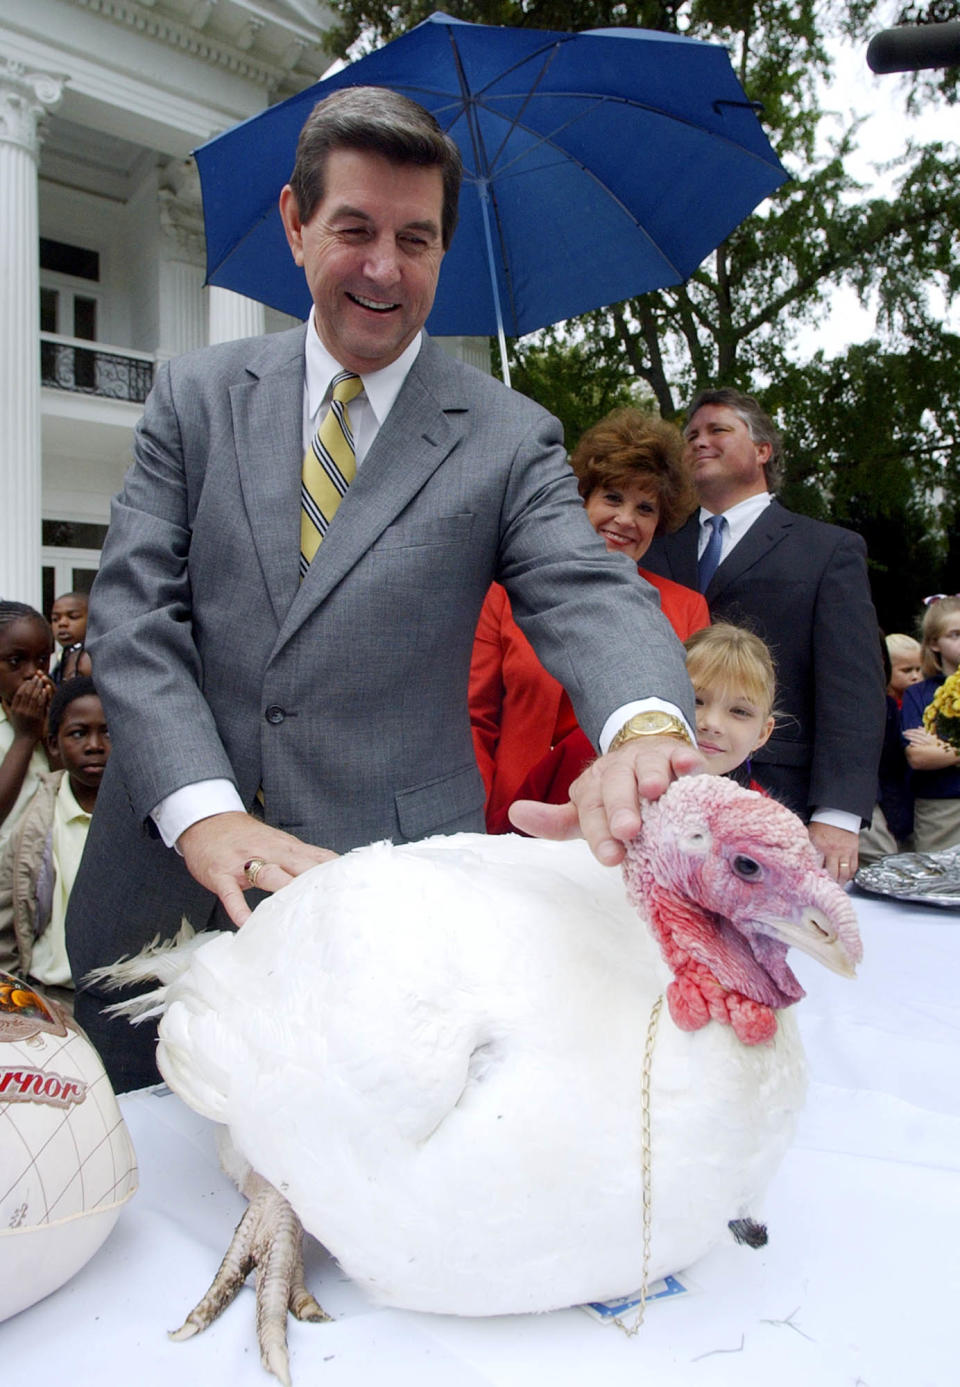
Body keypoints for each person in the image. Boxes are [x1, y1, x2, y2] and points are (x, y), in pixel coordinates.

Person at [66, 87, 702, 1090]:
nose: (382, 268)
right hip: (160, 895)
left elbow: (587, 588)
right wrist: (203, 810)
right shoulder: (194, 397)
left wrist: (646, 725)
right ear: (294, 222)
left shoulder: (508, 435)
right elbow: (136, 616)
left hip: (382, 911)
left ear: (445, 248)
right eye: (354, 229)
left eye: (416, 239)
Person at [642, 386, 886, 883]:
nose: (699, 441)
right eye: (690, 435)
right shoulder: (654, 545)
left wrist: (837, 814)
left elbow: (853, 689)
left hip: (781, 800)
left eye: (718, 430)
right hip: (662, 793)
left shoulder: (827, 550)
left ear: (762, 450)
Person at [470, 407, 708, 831]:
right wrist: (472, 822)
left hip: (621, 823)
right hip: (509, 820)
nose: (625, 519)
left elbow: (692, 730)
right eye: (612, 498)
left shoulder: (687, 608)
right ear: (580, 500)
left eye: (646, 508)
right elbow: (475, 720)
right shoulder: (504, 597)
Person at [0, 675, 109, 1002]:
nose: (94, 745)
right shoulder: (35, 823)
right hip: (46, 994)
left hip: (119, 999)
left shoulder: (143, 821)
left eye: (108, 731)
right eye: (78, 733)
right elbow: (6, 925)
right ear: (53, 745)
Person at [901, 596, 960, 852]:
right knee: (937, 884)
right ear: (934, 643)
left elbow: (933, 752)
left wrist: (943, 747)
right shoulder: (920, 694)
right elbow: (919, 756)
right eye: (956, 635)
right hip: (939, 809)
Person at [683, 624, 775, 788]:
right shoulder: (624, 788)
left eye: (739, 711)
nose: (712, 724)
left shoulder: (763, 811)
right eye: (695, 700)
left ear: (763, 733)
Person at [0, 601, 54, 850]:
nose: (33, 673)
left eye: (43, 659)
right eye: (15, 661)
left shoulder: (53, 713)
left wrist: (49, 733)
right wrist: (24, 738)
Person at [49, 592, 88, 684]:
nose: (62, 623)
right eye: (55, 619)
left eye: (73, 617)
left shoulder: (94, 660)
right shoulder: (63, 657)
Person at [885, 632, 922, 704]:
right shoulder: (881, 705)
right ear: (887, 670)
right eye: (907, 670)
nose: (915, 676)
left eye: (918, 669)